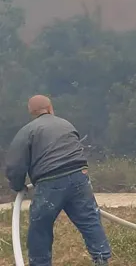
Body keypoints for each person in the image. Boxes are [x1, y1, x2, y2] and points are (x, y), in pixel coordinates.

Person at [5, 95, 112, 266]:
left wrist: (18, 186)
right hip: (79, 176)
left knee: (40, 228)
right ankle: (101, 258)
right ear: (50, 107)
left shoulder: (27, 131)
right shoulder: (66, 124)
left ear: (31, 111)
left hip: (50, 181)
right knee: (89, 219)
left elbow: (15, 165)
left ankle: (40, 263)